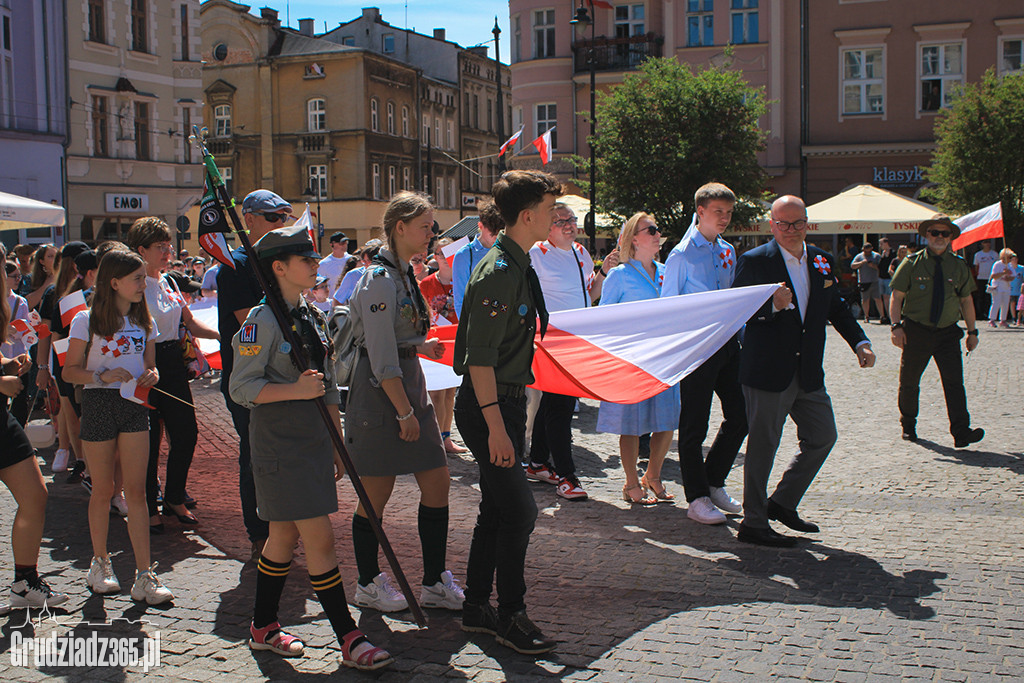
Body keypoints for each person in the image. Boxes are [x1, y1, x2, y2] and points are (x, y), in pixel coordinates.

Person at [229, 223, 392, 671]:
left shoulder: (312, 313)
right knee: (318, 537)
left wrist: (337, 442)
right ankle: (349, 636)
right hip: (280, 444)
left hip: (314, 440)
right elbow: (241, 387)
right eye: (305, 259)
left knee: (281, 537)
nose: (315, 264)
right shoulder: (260, 321)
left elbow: (328, 384)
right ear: (279, 267)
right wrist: (294, 391)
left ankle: (262, 627)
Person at [453, 169, 560, 655]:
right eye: (550, 207)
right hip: (488, 406)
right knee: (520, 511)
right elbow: (479, 358)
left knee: (497, 510)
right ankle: (511, 615)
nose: (556, 215)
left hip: (505, 403)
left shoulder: (518, 263)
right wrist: (496, 428)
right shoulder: (499, 270)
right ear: (527, 215)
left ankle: (476, 608)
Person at [732, 195, 875, 548]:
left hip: (808, 369)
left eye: (798, 223)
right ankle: (753, 523)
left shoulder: (823, 261)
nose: (791, 230)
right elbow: (737, 311)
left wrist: (860, 342)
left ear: (807, 223)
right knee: (764, 445)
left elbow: (837, 308)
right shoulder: (755, 261)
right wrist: (770, 306)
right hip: (768, 370)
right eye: (783, 223)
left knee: (823, 435)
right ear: (772, 225)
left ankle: (781, 502)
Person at [346, 191, 463, 614]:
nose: (431, 233)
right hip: (382, 394)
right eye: (425, 225)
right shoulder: (378, 278)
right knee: (376, 491)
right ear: (400, 227)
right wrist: (404, 412)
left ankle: (433, 581)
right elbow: (379, 356)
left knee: (438, 481)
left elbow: (397, 337)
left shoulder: (403, 273)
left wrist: (419, 345)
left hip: (407, 384)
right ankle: (367, 583)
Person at [64, 249, 173, 603]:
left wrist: (152, 375)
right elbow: (69, 372)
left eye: (143, 277)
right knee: (103, 489)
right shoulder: (85, 319)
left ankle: (144, 575)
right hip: (98, 404)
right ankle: (100, 564)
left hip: (133, 405)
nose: (144, 284)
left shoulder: (145, 322)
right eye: (137, 279)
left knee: (137, 491)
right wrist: (101, 374)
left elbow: (151, 366)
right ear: (114, 283)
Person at [125, 217, 220, 535]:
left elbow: (191, 324)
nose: (168, 251)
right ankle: (150, 506)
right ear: (141, 250)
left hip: (171, 363)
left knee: (187, 433)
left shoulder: (170, 282)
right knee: (148, 443)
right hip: (142, 366)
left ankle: (175, 496)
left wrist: (225, 335)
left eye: (168, 245)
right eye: (160, 246)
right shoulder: (132, 284)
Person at [662, 183, 747, 524]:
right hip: (698, 349)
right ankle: (696, 497)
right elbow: (669, 306)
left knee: (740, 416)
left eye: (728, 212)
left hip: (727, 344)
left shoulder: (726, 250)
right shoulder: (681, 255)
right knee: (694, 425)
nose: (724, 218)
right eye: (718, 212)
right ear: (700, 212)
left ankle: (712, 481)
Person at [217, 189, 292, 561]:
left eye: (284, 218)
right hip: (249, 378)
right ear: (249, 219)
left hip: (282, 376)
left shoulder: (278, 258)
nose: (281, 224)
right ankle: (258, 533)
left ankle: (282, 526)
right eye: (274, 217)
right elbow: (250, 322)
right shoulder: (236, 264)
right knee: (254, 456)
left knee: (280, 454)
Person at [526, 202, 619, 501]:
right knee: (561, 408)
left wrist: (603, 272)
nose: (568, 225)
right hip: (551, 342)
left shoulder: (580, 253)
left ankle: (538, 463)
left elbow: (588, 295)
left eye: (571, 219)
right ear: (547, 226)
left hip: (576, 340)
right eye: (560, 221)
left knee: (554, 404)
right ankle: (567, 475)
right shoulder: (536, 254)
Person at [0, 248, 69, 609]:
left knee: (35, 495)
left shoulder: (8, 306)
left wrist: (9, 363)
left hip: (1, 419)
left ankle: (24, 583)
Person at [598, 212, 679, 507]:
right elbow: (605, 315)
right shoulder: (619, 275)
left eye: (658, 230)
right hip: (630, 360)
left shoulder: (666, 270)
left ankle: (653, 476)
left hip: (664, 358)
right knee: (630, 424)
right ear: (634, 238)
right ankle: (631, 481)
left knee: (666, 420)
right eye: (651, 230)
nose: (658, 235)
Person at [890, 217, 984, 448]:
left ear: (951, 237)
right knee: (910, 381)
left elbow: (966, 300)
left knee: (954, 383)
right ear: (926, 236)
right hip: (916, 330)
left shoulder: (958, 265)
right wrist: (896, 326)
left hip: (947, 333)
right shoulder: (912, 263)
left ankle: (961, 432)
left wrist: (972, 332)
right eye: (934, 233)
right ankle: (908, 424)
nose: (939, 237)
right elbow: (897, 296)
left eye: (944, 233)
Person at [419, 237, 467, 455]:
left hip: (457, 343)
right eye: (439, 253)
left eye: (448, 253)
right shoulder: (426, 284)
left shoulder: (463, 282)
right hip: (434, 344)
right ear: (435, 257)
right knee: (436, 394)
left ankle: (446, 437)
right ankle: (436, 437)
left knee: (450, 394)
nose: (444, 258)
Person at [452, 200, 503, 317]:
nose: (497, 236)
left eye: (500, 231)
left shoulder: (508, 250)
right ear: (480, 226)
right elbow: (460, 301)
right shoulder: (464, 255)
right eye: (492, 231)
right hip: (479, 324)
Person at [332, 240, 384, 306]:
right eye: (364, 261)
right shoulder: (352, 275)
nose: (366, 264)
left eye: (369, 261)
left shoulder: (387, 273)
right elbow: (337, 300)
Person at [851, 242, 885, 323]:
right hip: (863, 281)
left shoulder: (876, 256)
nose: (868, 253)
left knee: (878, 299)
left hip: (875, 281)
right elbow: (852, 265)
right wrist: (861, 263)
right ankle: (866, 316)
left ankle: (882, 316)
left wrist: (873, 265)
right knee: (865, 300)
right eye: (866, 251)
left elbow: (882, 268)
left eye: (869, 251)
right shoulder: (859, 256)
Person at [318, 232, 354, 301]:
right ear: (332, 244)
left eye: (346, 242)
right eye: (341, 243)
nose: (344, 245)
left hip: (350, 301)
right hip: (333, 302)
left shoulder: (352, 260)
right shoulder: (324, 264)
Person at [987, 248, 1016, 327]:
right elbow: (994, 276)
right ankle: (992, 319)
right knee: (996, 303)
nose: (1011, 259)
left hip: (1006, 286)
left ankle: (1003, 320)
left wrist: (1008, 278)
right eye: (1009, 257)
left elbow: (1013, 276)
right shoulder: (997, 264)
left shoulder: (1009, 265)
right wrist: (1004, 273)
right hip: (998, 286)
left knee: (1005, 304)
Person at [972, 240, 999, 320]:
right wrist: (978, 274)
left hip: (991, 278)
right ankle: (980, 314)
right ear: (982, 244)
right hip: (981, 278)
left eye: (988, 242)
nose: (987, 244)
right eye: (985, 242)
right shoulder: (978, 255)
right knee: (981, 296)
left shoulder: (994, 254)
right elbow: (976, 266)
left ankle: (989, 314)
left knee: (990, 297)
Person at [877, 238, 895, 324]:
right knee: (883, 297)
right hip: (881, 277)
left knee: (888, 297)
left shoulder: (893, 253)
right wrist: (882, 257)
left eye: (881, 244)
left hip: (888, 278)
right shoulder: (882, 255)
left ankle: (890, 316)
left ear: (886, 243)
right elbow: (880, 266)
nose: (880, 246)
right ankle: (885, 316)